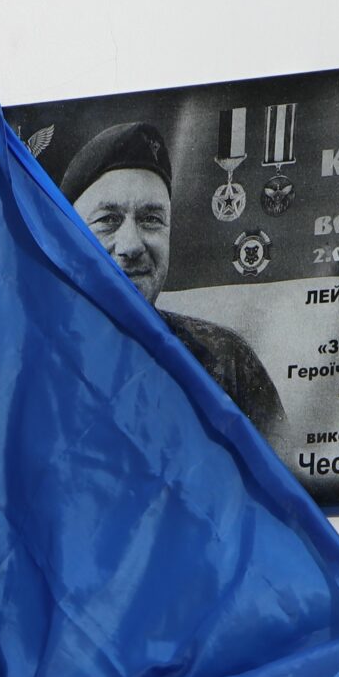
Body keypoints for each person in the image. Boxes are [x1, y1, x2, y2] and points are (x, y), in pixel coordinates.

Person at [60, 121, 287, 439]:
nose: (131, 245)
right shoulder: (28, 365)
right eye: (108, 220)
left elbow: (288, 483)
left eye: (151, 220)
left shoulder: (226, 361)